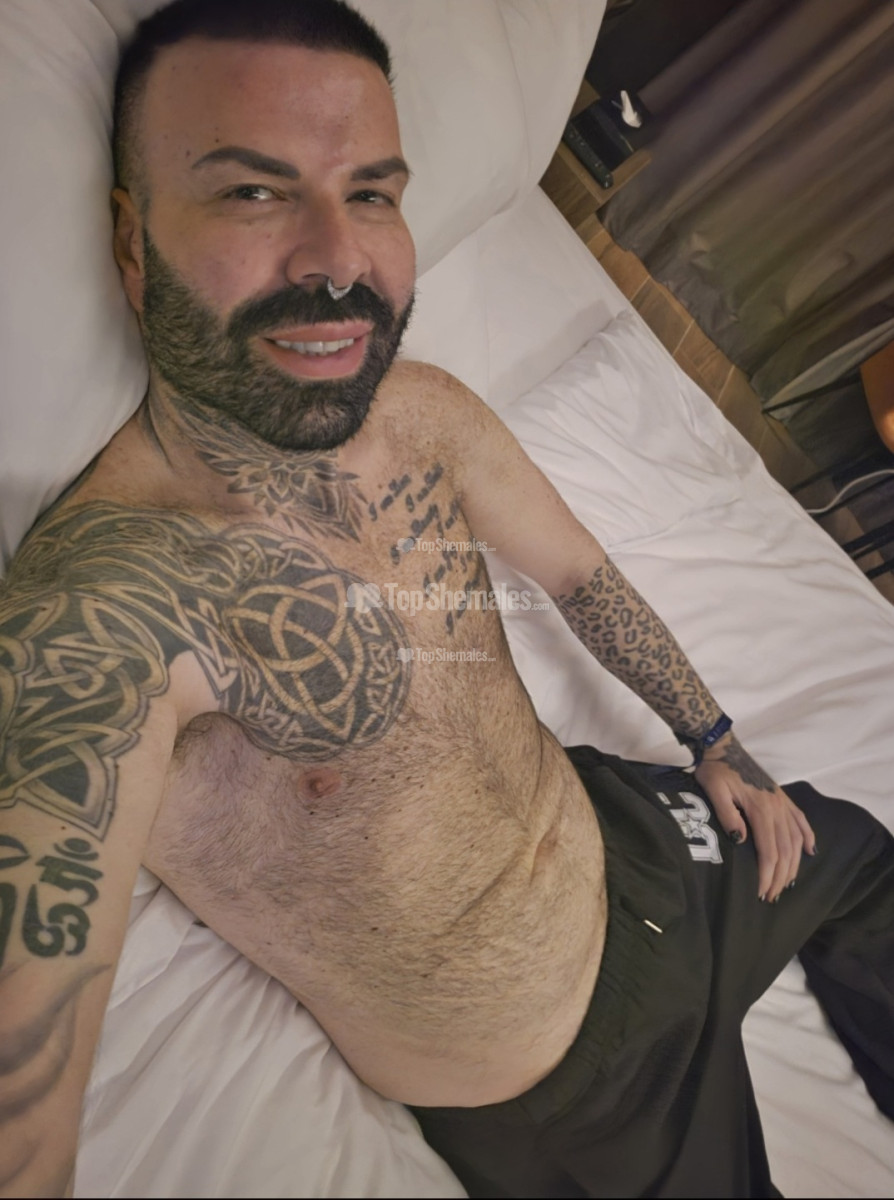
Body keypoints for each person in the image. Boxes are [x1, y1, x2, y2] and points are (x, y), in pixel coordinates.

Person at [0, 1, 890, 1196]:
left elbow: (580, 575)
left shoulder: (423, 412)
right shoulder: (104, 612)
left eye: (371, 193)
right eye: (254, 193)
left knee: (865, 859)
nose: (338, 261)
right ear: (131, 241)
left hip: (644, 843)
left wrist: (718, 743)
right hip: (584, 1078)